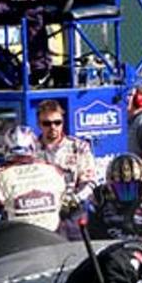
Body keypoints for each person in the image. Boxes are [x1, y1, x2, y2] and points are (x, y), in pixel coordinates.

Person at [0, 126, 72, 232]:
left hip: (19, 237)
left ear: (6, 148)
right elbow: (64, 203)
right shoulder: (54, 171)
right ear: (33, 146)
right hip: (53, 235)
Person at [35, 100, 95, 233]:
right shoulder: (31, 150)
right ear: (39, 124)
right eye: (47, 123)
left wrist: (73, 199)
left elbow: (90, 182)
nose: (53, 127)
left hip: (72, 213)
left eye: (57, 122)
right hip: (42, 214)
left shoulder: (78, 147)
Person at [87, 153, 142, 240]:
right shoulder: (100, 199)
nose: (126, 192)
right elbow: (90, 231)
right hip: (108, 245)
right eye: (120, 188)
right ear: (109, 185)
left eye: (132, 187)